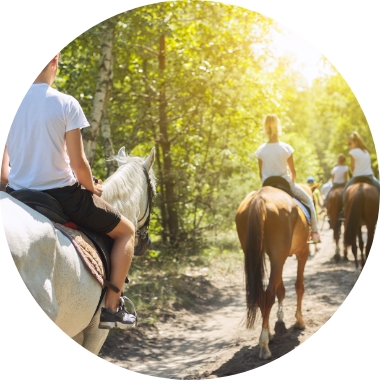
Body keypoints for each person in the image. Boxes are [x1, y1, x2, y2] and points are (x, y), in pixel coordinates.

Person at [1, 54, 136, 330]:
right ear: (54, 62)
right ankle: (112, 308)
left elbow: (3, 173)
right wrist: (92, 188)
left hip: (16, 195)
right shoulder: (65, 103)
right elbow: (78, 164)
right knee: (127, 232)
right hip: (64, 195)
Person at [255, 114, 321, 243]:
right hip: (285, 183)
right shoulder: (286, 148)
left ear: (265, 128)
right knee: (308, 201)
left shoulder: (261, 150)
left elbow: (261, 174)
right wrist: (292, 184)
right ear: (278, 127)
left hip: (267, 185)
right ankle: (314, 232)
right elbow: (293, 172)